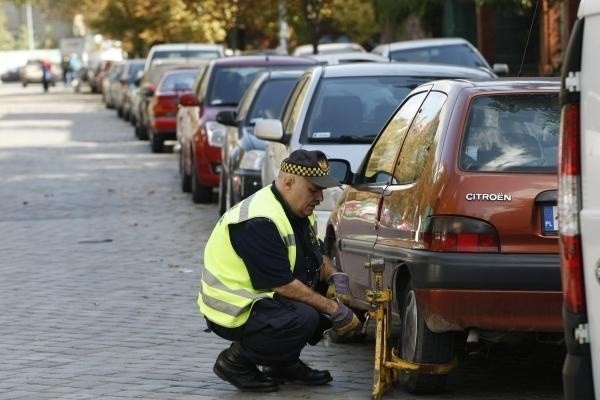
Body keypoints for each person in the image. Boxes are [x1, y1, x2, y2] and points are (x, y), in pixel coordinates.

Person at [198, 149, 361, 393]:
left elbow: (314, 256)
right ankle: (235, 362)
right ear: (288, 182)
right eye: (314, 188)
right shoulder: (258, 220)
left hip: (260, 300)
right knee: (306, 316)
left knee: (314, 296)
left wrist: (335, 277)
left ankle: (282, 364)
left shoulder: (298, 210)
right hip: (232, 309)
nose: (320, 196)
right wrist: (335, 309)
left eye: (322, 189)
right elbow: (282, 284)